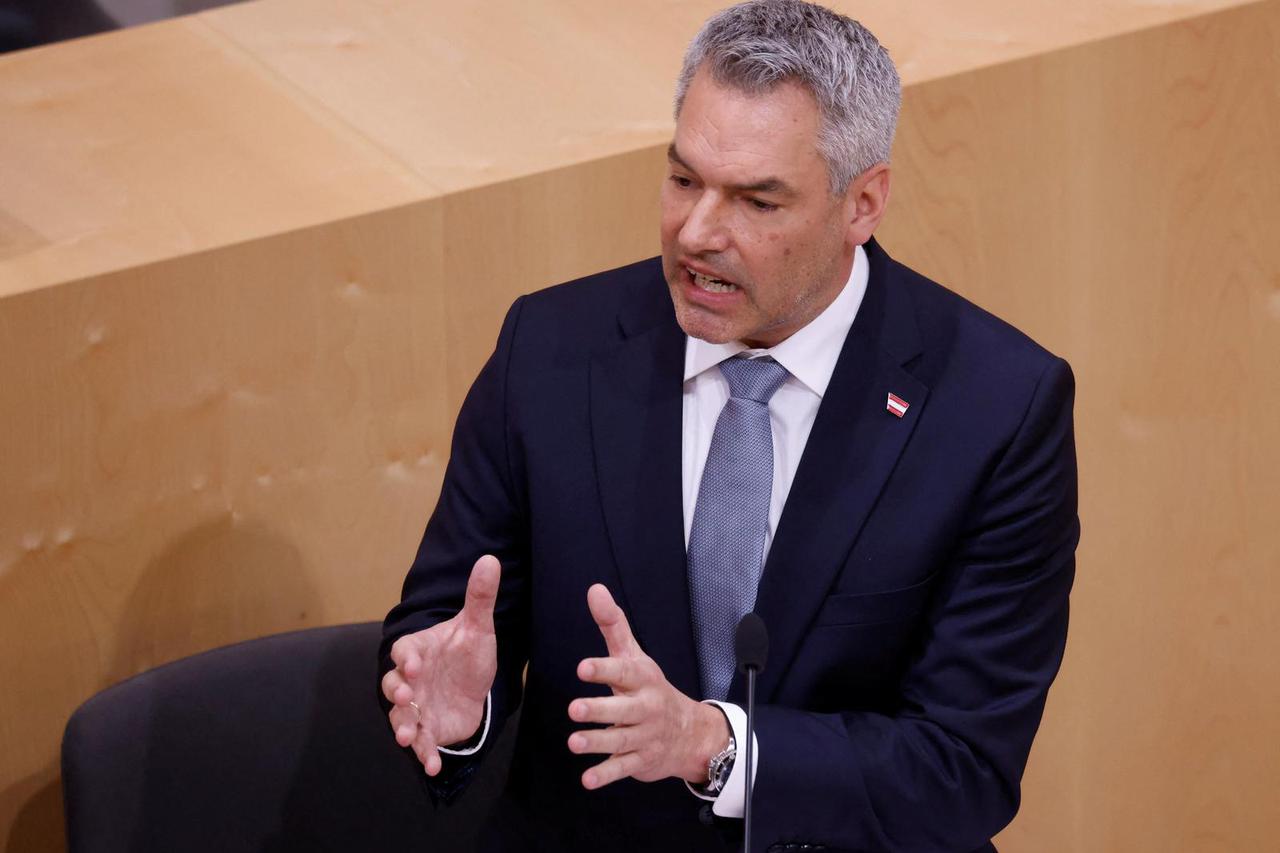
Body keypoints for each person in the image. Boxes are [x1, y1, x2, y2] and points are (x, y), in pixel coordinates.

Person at [380, 1, 1079, 850]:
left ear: (863, 203)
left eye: (756, 200)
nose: (698, 232)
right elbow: (448, 628)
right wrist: (460, 713)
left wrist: (715, 747)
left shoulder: (996, 408)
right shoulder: (551, 351)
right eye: (684, 180)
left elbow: (963, 764)